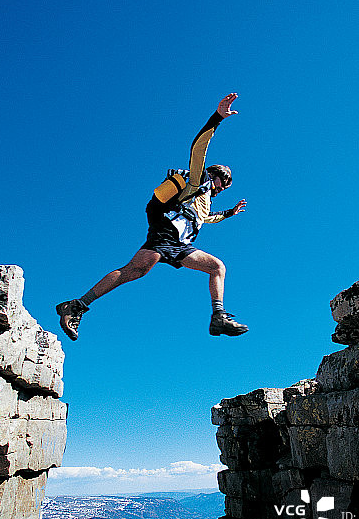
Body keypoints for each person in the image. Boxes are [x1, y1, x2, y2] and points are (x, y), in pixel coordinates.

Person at [56, 92, 248, 341]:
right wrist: (216, 118)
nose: (223, 188)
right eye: (225, 182)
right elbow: (198, 148)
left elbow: (205, 218)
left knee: (212, 267)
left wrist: (228, 214)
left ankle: (218, 317)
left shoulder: (202, 200)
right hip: (165, 232)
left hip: (178, 243)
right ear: (216, 175)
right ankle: (77, 305)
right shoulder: (198, 179)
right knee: (136, 271)